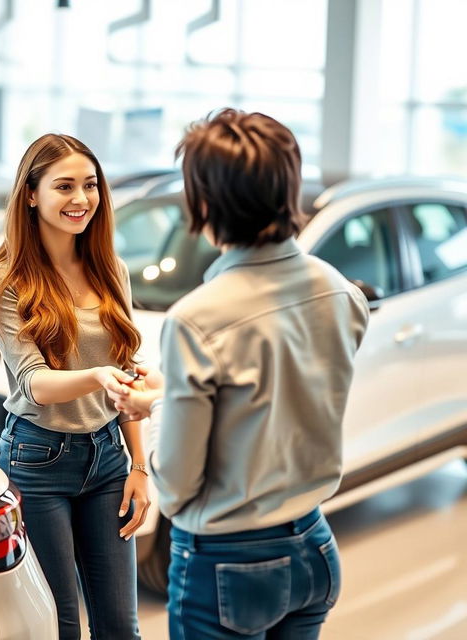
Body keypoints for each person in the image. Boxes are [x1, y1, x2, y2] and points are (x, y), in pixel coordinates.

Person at [107, 109, 370, 640]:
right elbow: (274, 402)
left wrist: (158, 406)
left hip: (228, 563)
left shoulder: (198, 318)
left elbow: (177, 486)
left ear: (203, 204)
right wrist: (170, 397)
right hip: (315, 544)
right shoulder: (341, 292)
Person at [0, 133, 149, 640]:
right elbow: (33, 385)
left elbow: (127, 376)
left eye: (90, 185)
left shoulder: (110, 268)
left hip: (109, 459)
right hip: (37, 460)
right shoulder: (3, 280)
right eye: (64, 186)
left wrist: (140, 466)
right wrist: (96, 376)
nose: (81, 199)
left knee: (120, 627)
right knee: (60, 627)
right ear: (31, 194)